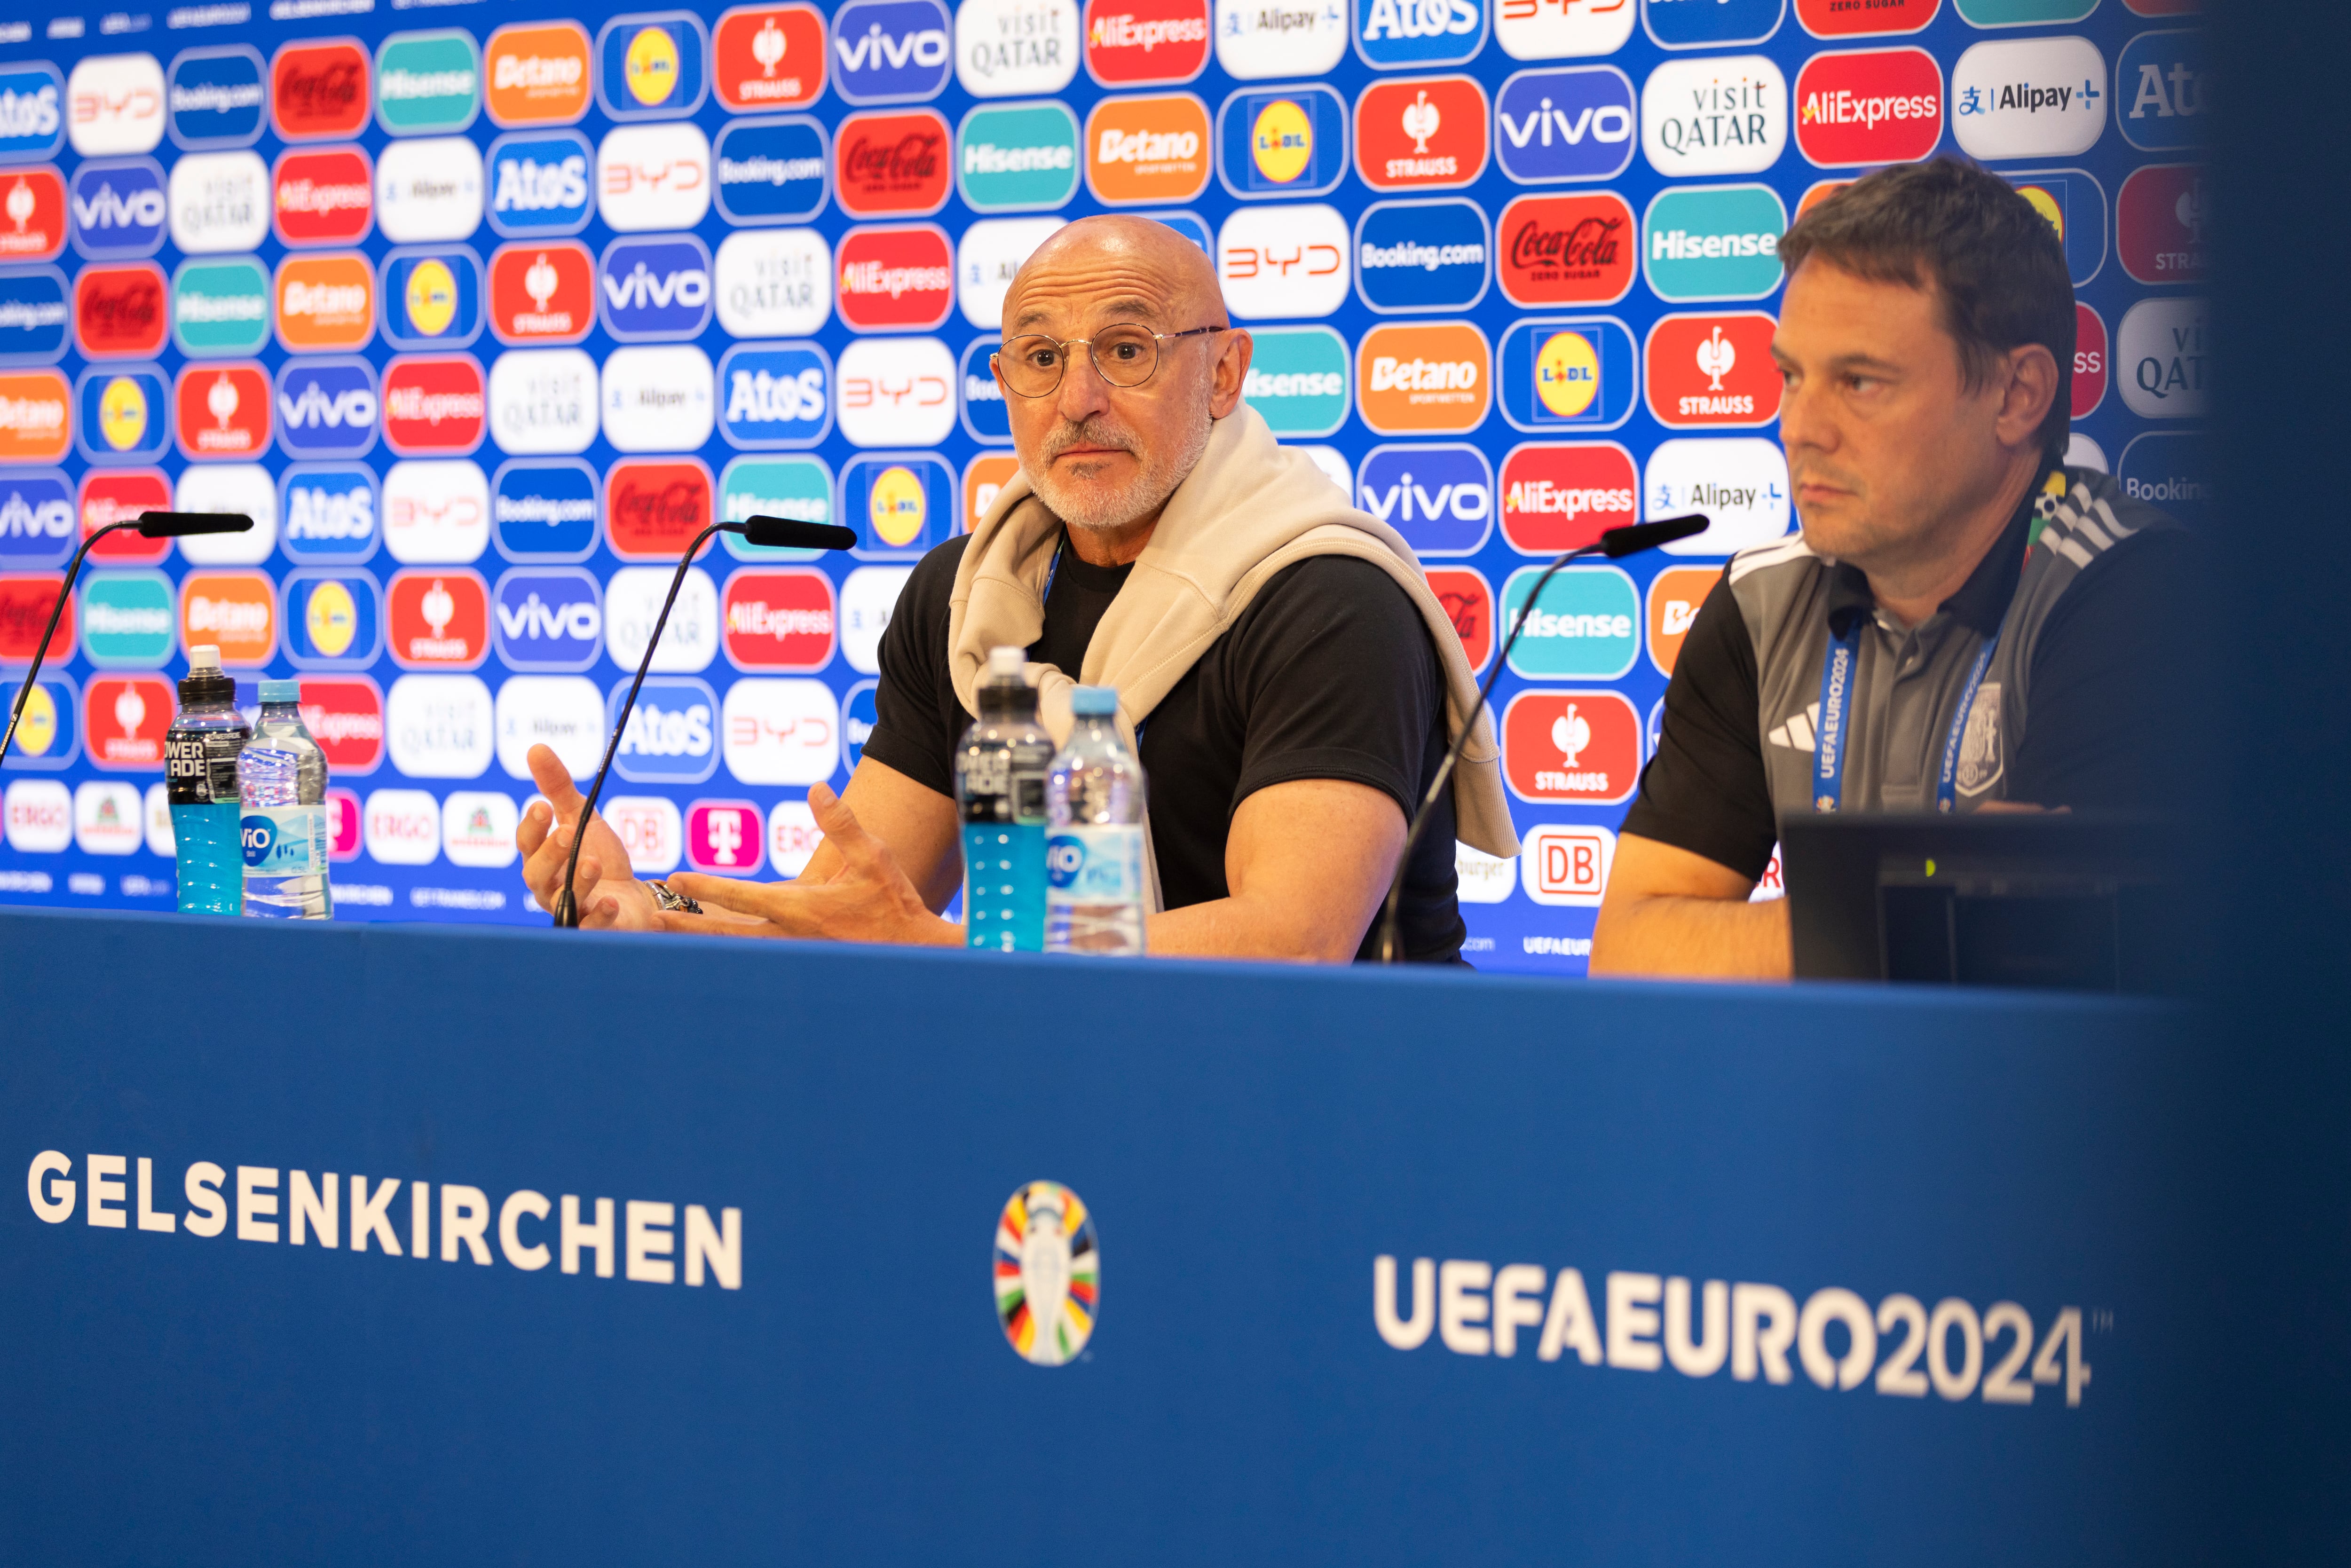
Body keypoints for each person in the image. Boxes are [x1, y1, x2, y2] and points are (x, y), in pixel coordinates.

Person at [513, 215, 1518, 960]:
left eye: (1126, 351)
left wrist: (946, 958)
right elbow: (853, 910)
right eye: (1040, 360)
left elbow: (1290, 940)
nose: (1078, 401)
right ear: (1006, 386)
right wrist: (647, 912)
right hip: (1073, 1072)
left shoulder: (1326, 599)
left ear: (1223, 375)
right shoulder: (968, 603)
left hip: (1345, 1096)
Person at [1590, 158, 2205, 981]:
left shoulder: (2136, 597)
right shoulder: (1759, 603)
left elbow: (2078, 977)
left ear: (2018, 396)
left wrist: (1778, 940)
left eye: (1860, 382)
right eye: (1791, 377)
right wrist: (1927, 906)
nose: (1801, 428)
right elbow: (1628, 954)